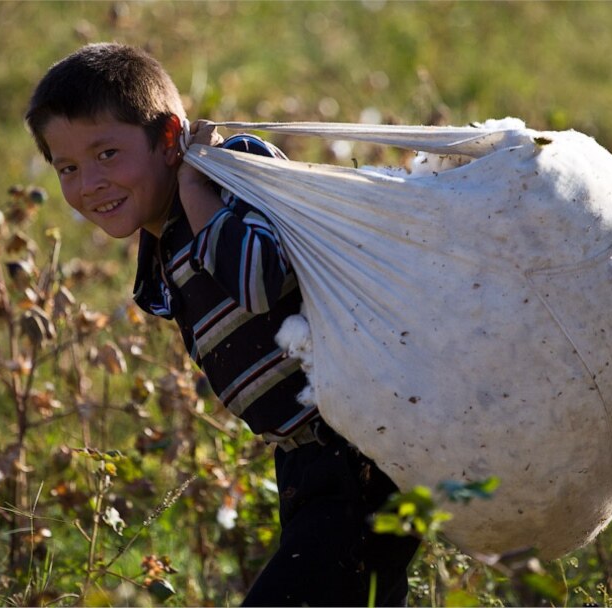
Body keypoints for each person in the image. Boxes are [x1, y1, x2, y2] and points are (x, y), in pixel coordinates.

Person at [25, 42, 420, 606]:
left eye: (107, 154)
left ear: (170, 139)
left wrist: (195, 187)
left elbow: (260, 282)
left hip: (357, 450)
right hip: (304, 460)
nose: (89, 183)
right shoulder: (164, 245)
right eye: (68, 168)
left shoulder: (233, 176)